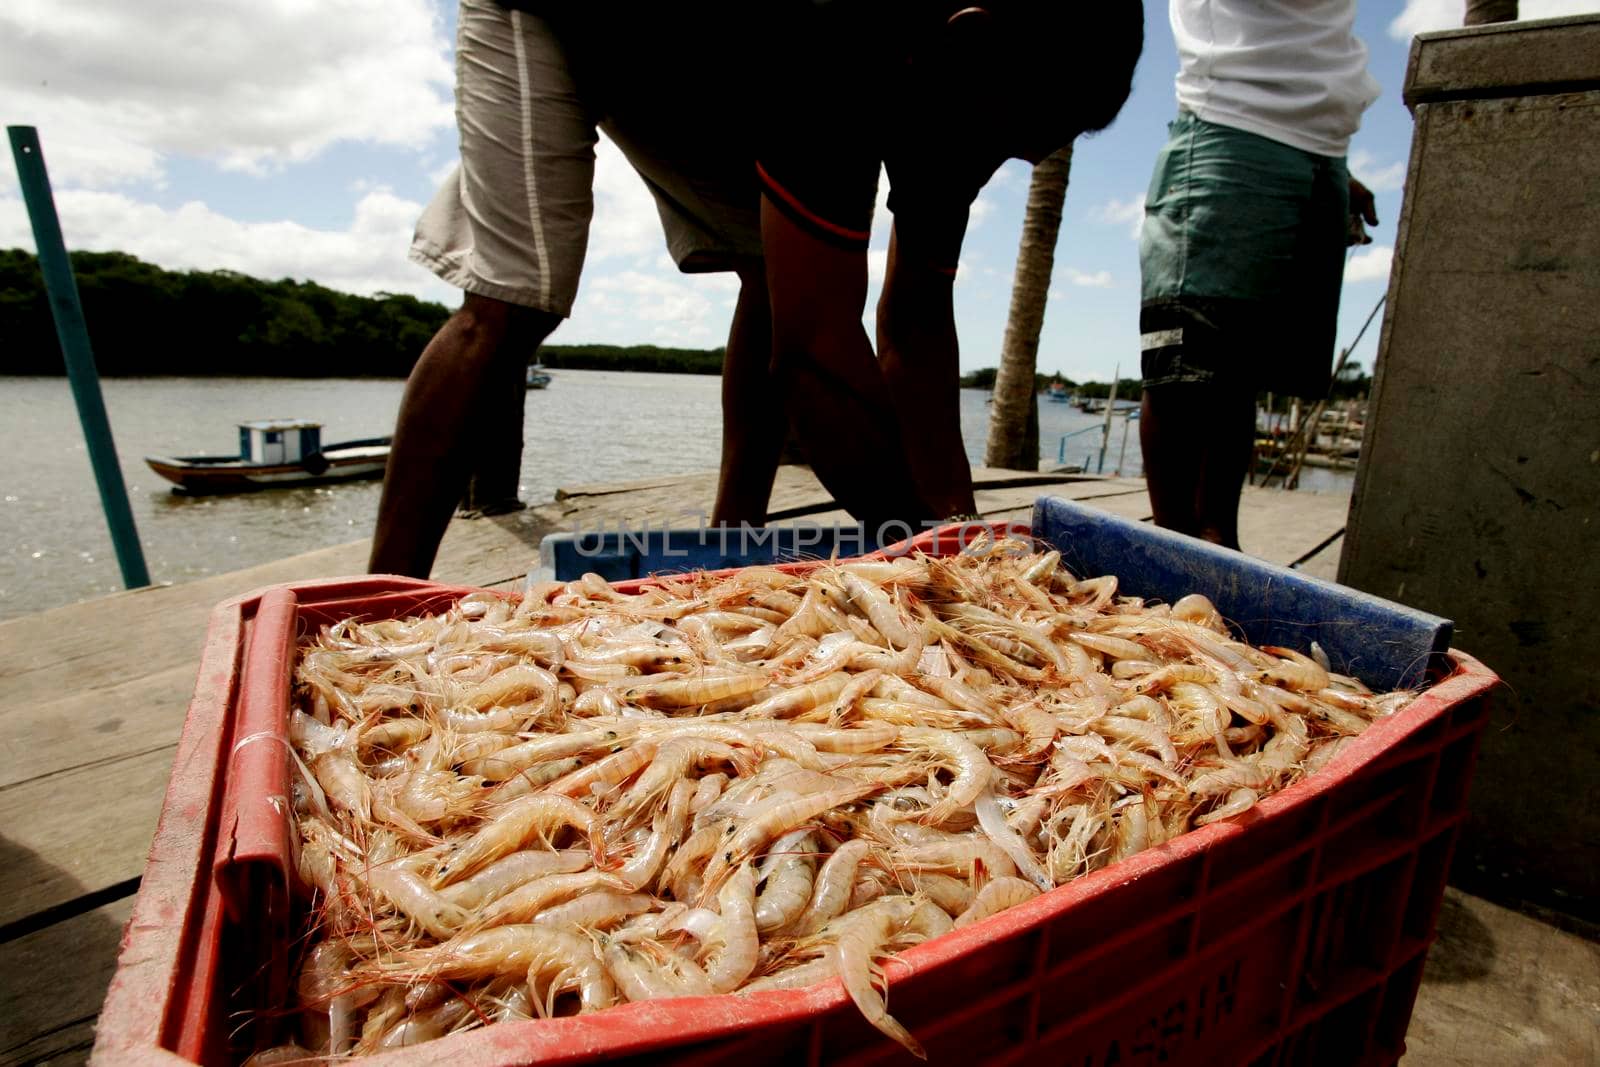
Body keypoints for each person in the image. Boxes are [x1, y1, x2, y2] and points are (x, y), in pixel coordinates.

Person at [369, 0, 770, 576]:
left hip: (684, 44)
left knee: (771, 264)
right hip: (536, 10)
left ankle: (732, 549)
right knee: (512, 297)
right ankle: (386, 590)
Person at [1137, 0, 1381, 549]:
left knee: (1240, 371)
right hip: (1230, 119)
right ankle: (1171, 551)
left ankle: (1223, 544)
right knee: (1184, 365)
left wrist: (1330, 168)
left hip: (1325, 149)